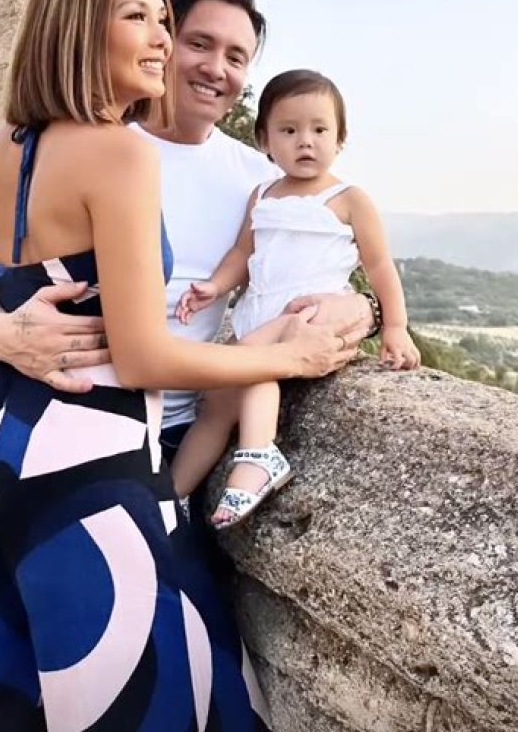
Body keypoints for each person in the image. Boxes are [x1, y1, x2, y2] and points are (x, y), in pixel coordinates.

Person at [0, 0, 355, 732]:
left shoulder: (6, 142)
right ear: (79, 26)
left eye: (165, 20)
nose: (162, 40)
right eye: (143, 19)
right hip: (89, 466)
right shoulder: (117, 150)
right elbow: (145, 355)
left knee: (6, 700)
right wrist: (291, 358)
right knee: (128, 728)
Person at [0, 0, 374, 521]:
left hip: (185, 433)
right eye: (199, 44)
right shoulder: (90, 147)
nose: (216, 68)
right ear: (165, 43)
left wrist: (366, 308)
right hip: (71, 419)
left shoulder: (264, 183)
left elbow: (315, 273)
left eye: (236, 57)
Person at [171, 69, 421, 527]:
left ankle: (259, 456)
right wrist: (216, 286)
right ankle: (172, 499)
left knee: (255, 365)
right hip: (261, 315)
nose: (305, 141)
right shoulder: (262, 194)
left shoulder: (349, 199)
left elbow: (380, 266)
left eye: (319, 130)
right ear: (265, 140)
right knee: (215, 407)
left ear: (340, 139)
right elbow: (243, 252)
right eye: (289, 131)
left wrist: (395, 327)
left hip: (313, 317)